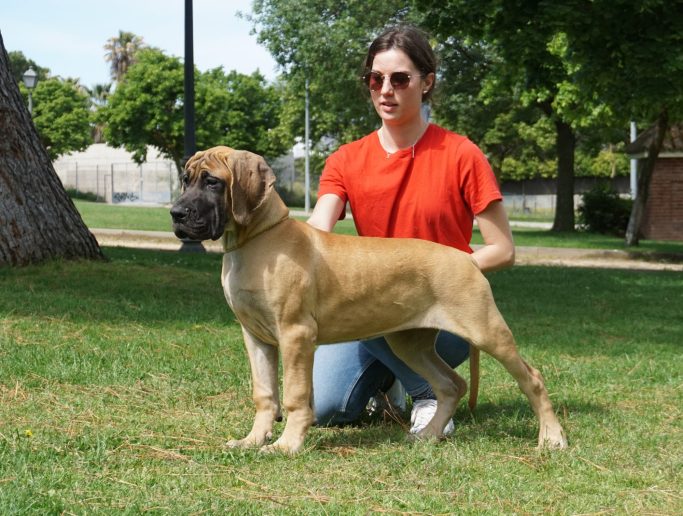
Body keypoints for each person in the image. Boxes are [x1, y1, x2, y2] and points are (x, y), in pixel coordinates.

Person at [306, 25, 515, 435]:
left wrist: (433, 277)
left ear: (427, 82)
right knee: (327, 409)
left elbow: (503, 250)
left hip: (442, 314)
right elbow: (316, 232)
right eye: (375, 79)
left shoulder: (462, 154)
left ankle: (427, 392)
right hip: (374, 313)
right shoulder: (345, 160)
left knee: (392, 303)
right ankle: (392, 381)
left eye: (400, 79)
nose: (386, 89)